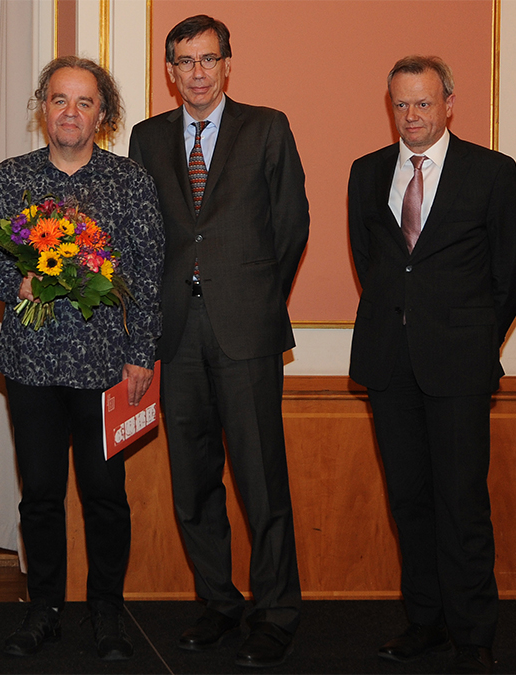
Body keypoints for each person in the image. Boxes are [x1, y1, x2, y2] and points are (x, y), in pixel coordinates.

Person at [127, 14, 308, 668]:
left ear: (226, 64)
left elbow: (291, 224)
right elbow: (144, 237)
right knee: (191, 480)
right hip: (175, 333)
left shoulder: (266, 127)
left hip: (245, 329)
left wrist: (251, 296)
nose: (196, 72)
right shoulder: (146, 138)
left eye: (207, 59)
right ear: (169, 72)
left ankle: (275, 610)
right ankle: (218, 602)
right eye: (183, 61)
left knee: (260, 478)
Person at [0, 56, 163, 662]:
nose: (70, 113)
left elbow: (149, 275)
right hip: (31, 366)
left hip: (108, 368)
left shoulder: (129, 182)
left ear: (101, 114)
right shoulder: (11, 179)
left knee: (106, 494)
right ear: (43, 107)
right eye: (59, 100)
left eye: (84, 103)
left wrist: (141, 355)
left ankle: (107, 611)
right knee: (41, 495)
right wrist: (19, 284)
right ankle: (44, 608)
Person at [348, 56, 516, 675]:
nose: (411, 116)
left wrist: (472, 340)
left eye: (423, 103)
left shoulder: (494, 174)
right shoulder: (366, 174)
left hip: (460, 368)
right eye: (400, 104)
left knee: (462, 502)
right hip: (390, 364)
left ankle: (473, 630)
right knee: (409, 501)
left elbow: (508, 277)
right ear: (389, 106)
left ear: (448, 102)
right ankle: (426, 621)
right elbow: (374, 266)